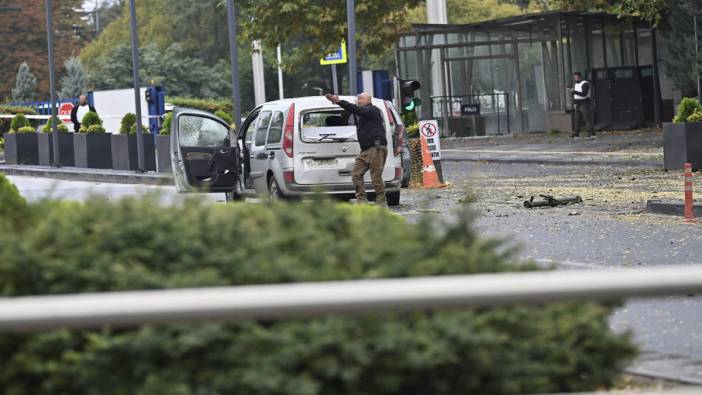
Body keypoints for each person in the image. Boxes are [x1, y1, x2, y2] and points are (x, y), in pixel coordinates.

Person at [325, 92, 388, 206]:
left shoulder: (372, 110)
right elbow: (355, 110)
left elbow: (355, 109)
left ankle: (381, 203)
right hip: (366, 150)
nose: (358, 101)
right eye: (358, 99)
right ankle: (362, 201)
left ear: (368, 100)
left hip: (376, 148)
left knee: (376, 177)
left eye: (361, 99)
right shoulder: (364, 113)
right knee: (356, 174)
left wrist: (339, 101)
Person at [568, 72, 594, 138]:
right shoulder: (576, 84)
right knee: (576, 119)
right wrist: (574, 103)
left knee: (586, 118)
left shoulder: (585, 83)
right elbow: (576, 96)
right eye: (574, 77)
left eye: (576, 77)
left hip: (584, 103)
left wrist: (574, 91)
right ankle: (576, 133)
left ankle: (592, 133)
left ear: (580, 77)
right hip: (577, 103)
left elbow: (584, 94)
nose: (575, 79)